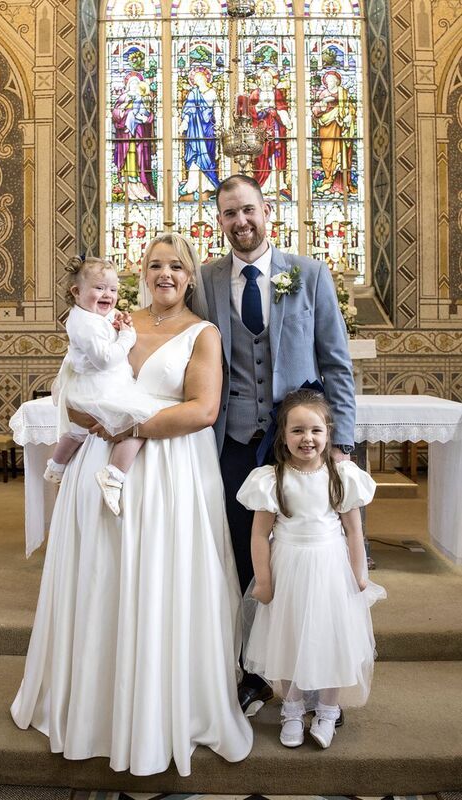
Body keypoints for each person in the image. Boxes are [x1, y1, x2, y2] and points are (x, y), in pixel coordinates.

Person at [11, 232, 253, 776]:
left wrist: (128, 424)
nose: (164, 274)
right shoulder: (109, 324)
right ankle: (94, 706)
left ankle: (157, 709)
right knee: (100, 580)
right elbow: (75, 383)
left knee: (158, 583)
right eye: (154, 265)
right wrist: (84, 416)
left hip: (170, 471)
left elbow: (202, 410)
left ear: (191, 276)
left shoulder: (203, 334)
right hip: (99, 461)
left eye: (176, 266)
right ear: (141, 272)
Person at [199, 173, 356, 715]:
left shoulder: (308, 274)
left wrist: (342, 445)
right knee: (246, 552)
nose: (240, 222)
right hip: (233, 440)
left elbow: (336, 363)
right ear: (219, 221)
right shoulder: (206, 279)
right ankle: (250, 672)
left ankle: (308, 674)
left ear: (268, 212)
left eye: (248, 210)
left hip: (298, 444)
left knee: (307, 557)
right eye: (228, 214)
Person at [237, 389, 386, 749]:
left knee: (331, 638)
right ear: (283, 436)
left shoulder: (341, 476)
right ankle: (291, 708)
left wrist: (357, 576)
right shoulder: (271, 478)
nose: (307, 438)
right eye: (298, 430)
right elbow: (260, 535)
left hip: (331, 569)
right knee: (287, 638)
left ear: (328, 433)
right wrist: (265, 581)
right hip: (288, 567)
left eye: (316, 430)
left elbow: (353, 531)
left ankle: (327, 711)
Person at [44, 255, 171, 516]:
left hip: (90, 385)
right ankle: (114, 475)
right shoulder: (84, 324)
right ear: (76, 292)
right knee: (138, 419)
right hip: (99, 386)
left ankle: (56, 465)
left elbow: (107, 319)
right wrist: (126, 336)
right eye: (99, 288)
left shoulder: (88, 314)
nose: (108, 295)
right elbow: (104, 359)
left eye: (113, 289)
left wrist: (118, 321)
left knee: (78, 431)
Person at [311, 70, 357, 196]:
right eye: (327, 81)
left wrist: (349, 116)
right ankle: (327, 181)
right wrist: (324, 103)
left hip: (341, 129)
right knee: (327, 153)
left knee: (341, 155)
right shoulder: (323, 94)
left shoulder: (343, 93)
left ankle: (343, 185)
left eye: (332, 80)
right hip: (326, 128)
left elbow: (351, 108)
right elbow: (315, 111)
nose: (329, 82)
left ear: (337, 81)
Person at [112, 72, 157, 201]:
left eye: (136, 83)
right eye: (131, 83)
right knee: (128, 159)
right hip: (125, 137)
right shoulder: (123, 97)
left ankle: (142, 189)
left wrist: (145, 118)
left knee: (140, 160)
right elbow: (115, 114)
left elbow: (149, 115)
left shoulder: (143, 98)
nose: (134, 85)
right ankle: (127, 189)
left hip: (140, 135)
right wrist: (125, 109)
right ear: (127, 85)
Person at [179, 66, 221, 198]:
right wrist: (184, 123)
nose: (199, 80)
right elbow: (188, 110)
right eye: (196, 79)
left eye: (201, 77)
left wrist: (219, 123)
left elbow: (217, 108)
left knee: (208, 154)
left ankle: (208, 185)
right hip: (194, 129)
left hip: (208, 128)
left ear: (206, 78)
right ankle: (193, 185)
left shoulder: (212, 92)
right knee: (195, 155)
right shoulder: (192, 93)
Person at [249, 67, 292, 189]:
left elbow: (282, 108)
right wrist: (259, 108)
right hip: (261, 126)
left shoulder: (276, 92)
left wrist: (286, 119)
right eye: (264, 77)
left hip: (275, 125)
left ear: (273, 79)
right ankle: (263, 184)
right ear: (260, 80)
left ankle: (277, 183)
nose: (266, 80)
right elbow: (249, 110)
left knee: (276, 152)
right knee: (262, 154)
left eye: (268, 77)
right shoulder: (255, 93)